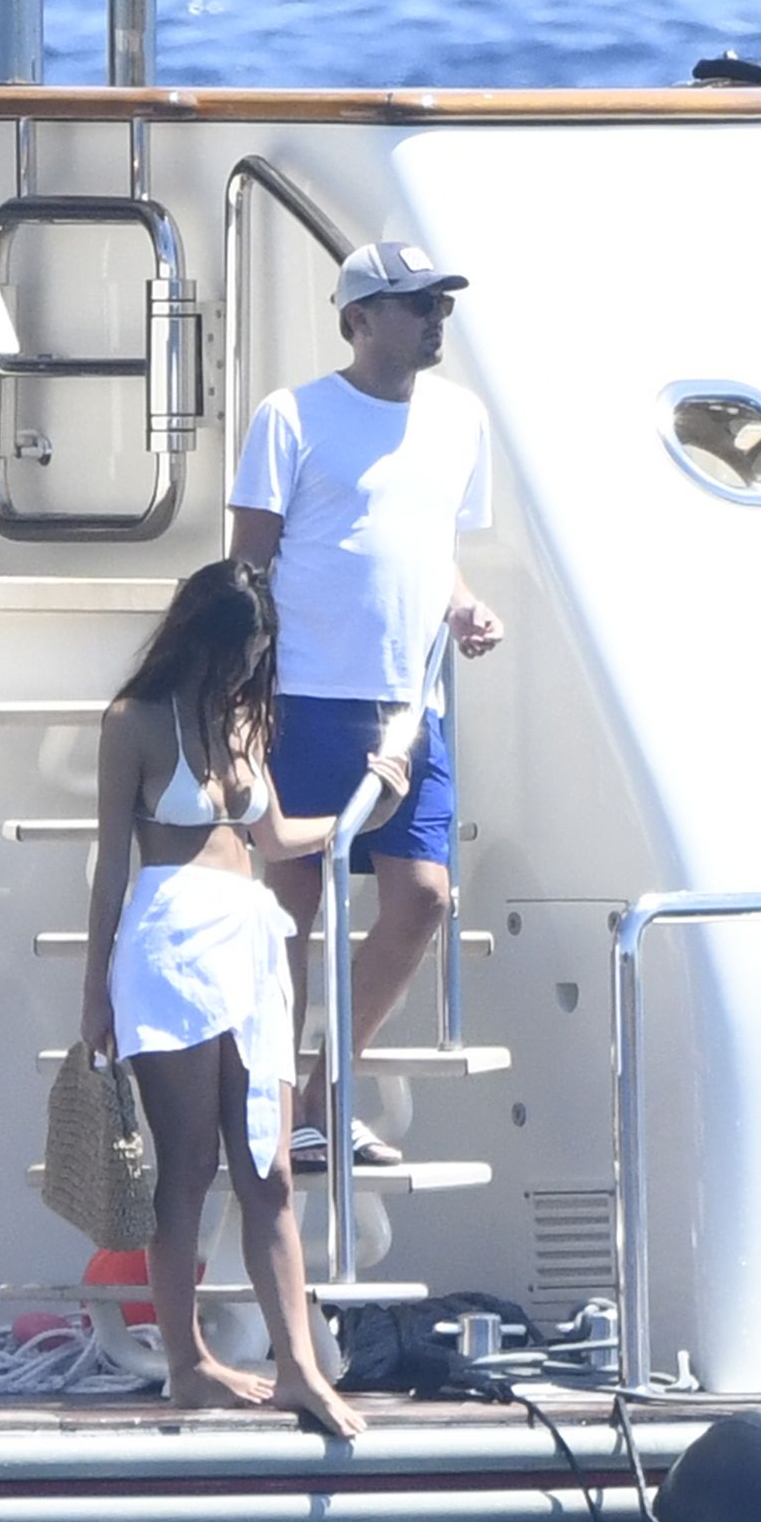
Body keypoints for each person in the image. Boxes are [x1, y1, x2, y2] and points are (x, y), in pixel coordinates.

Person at [81, 559, 408, 1438]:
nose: (246, 670)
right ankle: (187, 1364)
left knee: (268, 1167)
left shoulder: (245, 722)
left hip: (250, 941)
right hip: (169, 944)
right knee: (187, 1165)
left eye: (257, 655)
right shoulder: (132, 722)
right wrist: (93, 993)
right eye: (238, 653)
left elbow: (278, 837)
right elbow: (111, 866)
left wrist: (367, 814)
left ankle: (296, 1366)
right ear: (198, 639)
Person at [228, 240, 504, 1168]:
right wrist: (236, 696)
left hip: (407, 708)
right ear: (357, 319)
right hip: (303, 693)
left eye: (440, 304)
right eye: (416, 303)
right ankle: (278, 1116)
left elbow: (431, 546)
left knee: (422, 898)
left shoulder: (461, 418)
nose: (434, 319)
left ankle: (323, 1096)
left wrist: (462, 606)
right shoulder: (290, 415)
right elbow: (247, 564)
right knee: (292, 905)